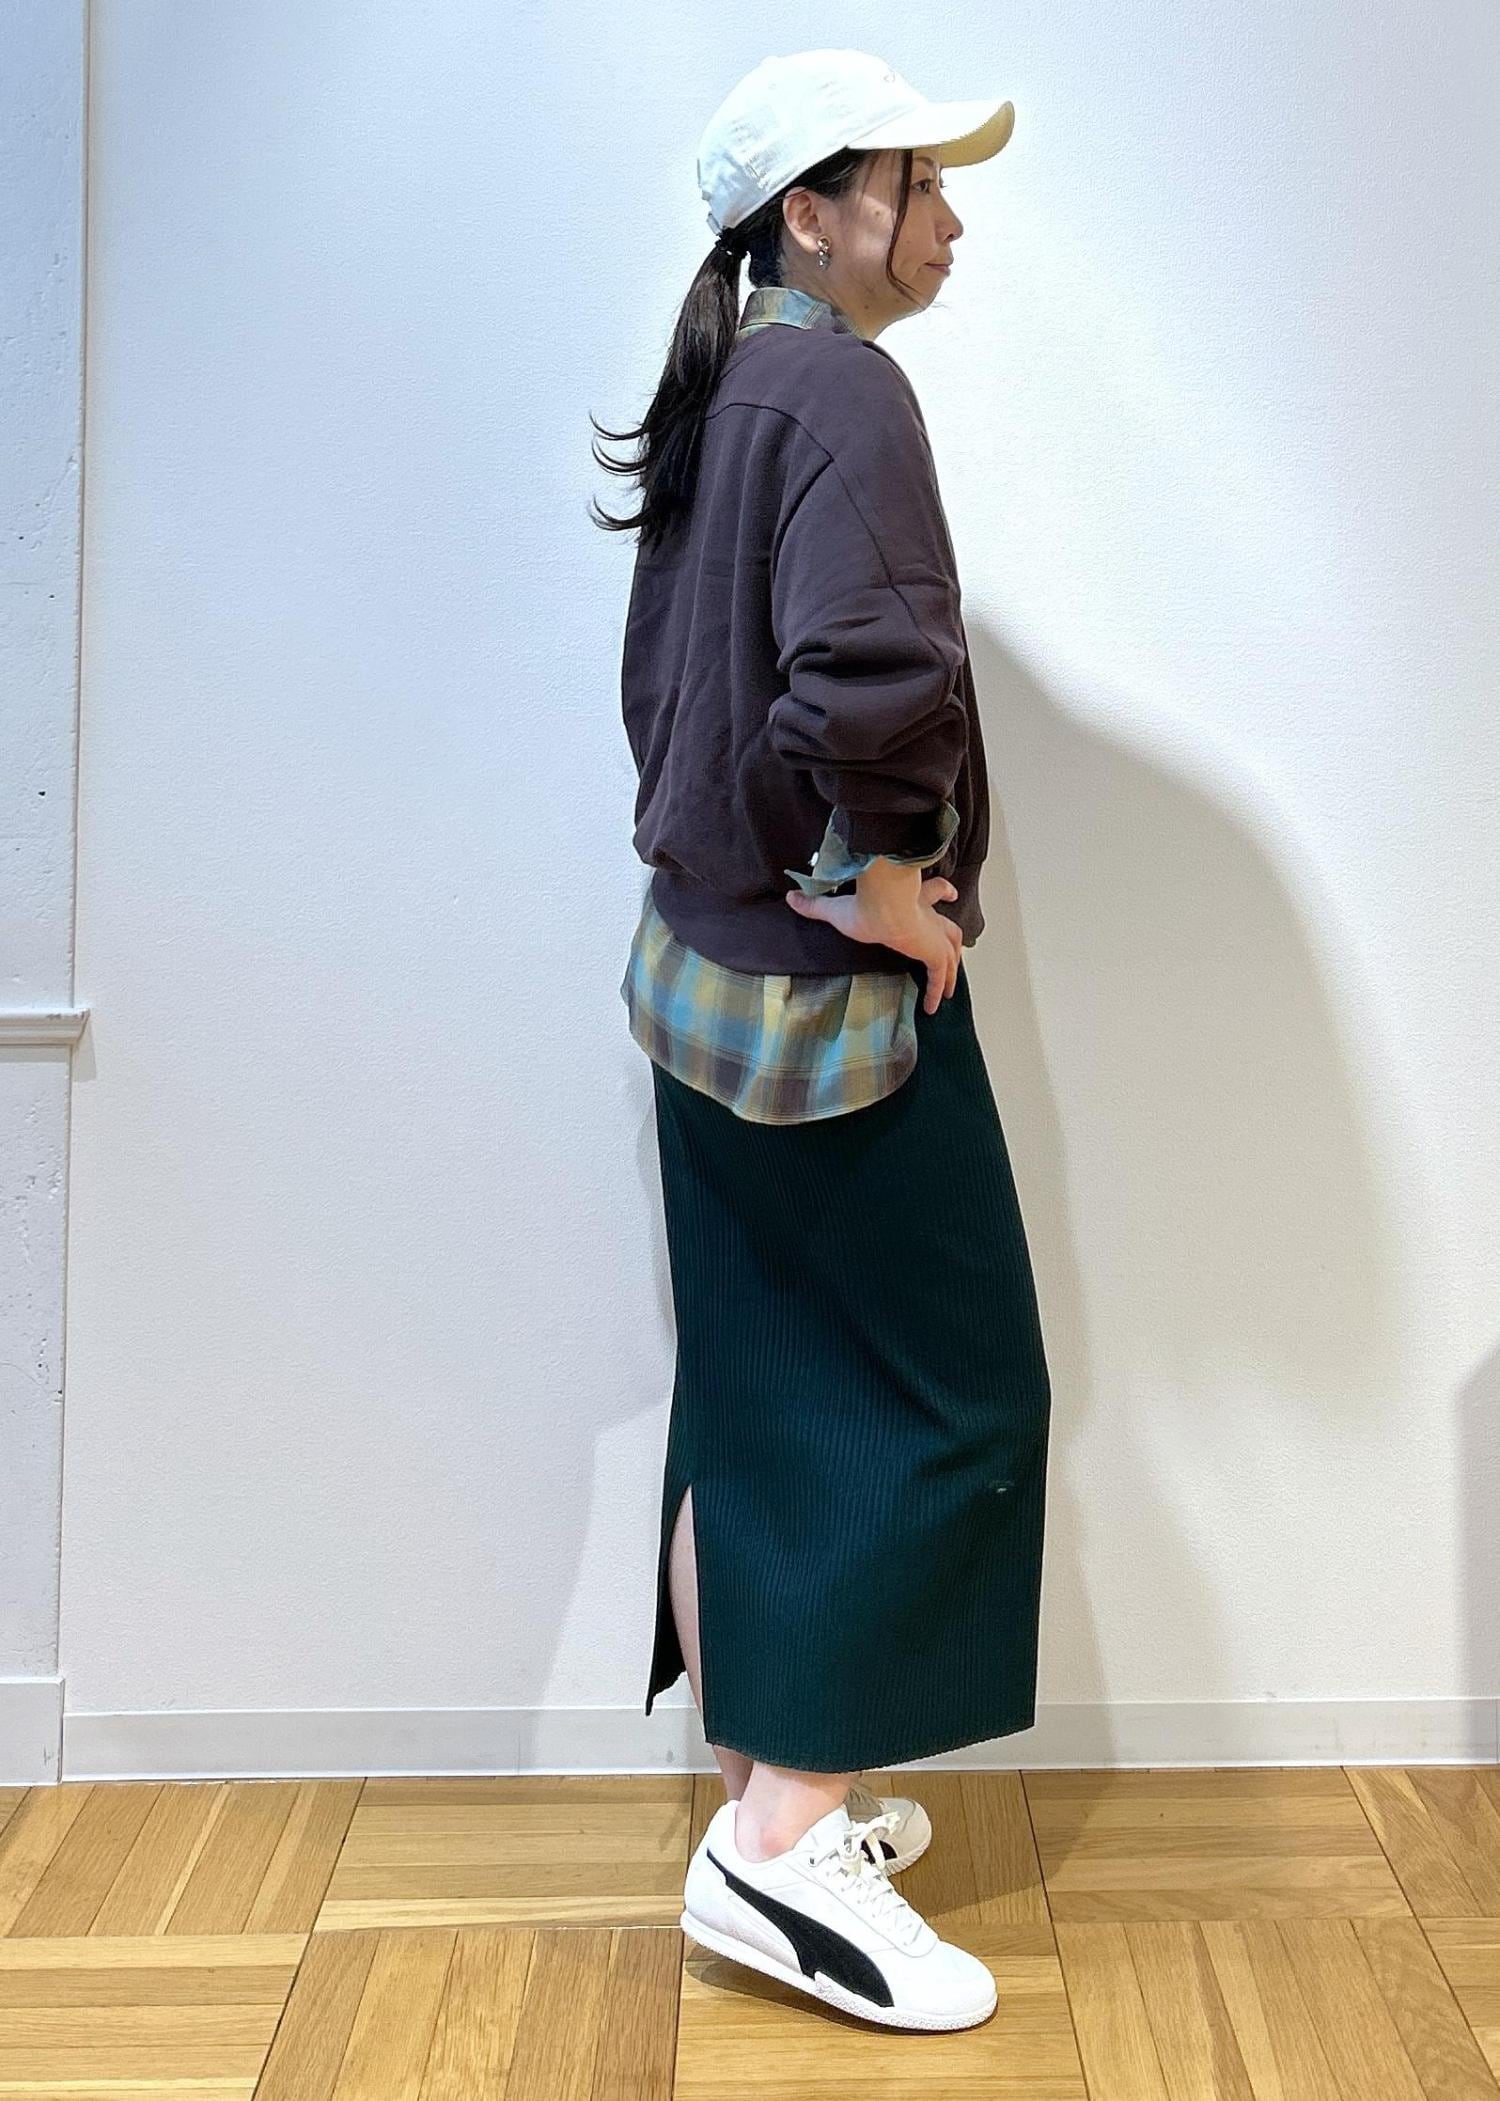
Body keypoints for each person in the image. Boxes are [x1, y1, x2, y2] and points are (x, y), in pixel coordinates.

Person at [592, 49, 1052, 2034]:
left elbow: (676, 693)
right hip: (822, 1014)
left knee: (761, 1394)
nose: (948, 219)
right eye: (915, 184)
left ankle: (760, 1797)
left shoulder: (730, 382)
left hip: (697, 980)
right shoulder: (845, 392)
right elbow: (868, 680)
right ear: (810, 211)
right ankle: (785, 1844)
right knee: (956, 1398)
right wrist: (872, 883)